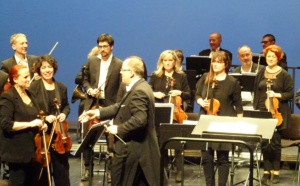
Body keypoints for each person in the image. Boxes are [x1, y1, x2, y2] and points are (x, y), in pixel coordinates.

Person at [79, 56, 161, 186]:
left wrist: (117, 129)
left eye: (123, 70)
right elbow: (120, 106)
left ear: (132, 72)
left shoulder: (139, 91)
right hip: (136, 152)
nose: (120, 73)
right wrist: (97, 113)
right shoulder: (139, 87)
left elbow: (140, 119)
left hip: (135, 151)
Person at [195, 51, 243, 186]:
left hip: (224, 122)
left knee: (223, 158)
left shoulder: (232, 82)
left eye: (219, 62)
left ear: (226, 64)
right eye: (213, 61)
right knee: (206, 157)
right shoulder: (206, 77)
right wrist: (200, 102)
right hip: (206, 121)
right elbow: (197, 94)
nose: (215, 64)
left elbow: (238, 106)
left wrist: (240, 124)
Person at [81, 33, 123, 181]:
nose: (102, 49)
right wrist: (89, 89)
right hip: (93, 103)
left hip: (110, 104)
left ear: (111, 47)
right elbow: (84, 80)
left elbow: (121, 87)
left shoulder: (119, 64)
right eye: (100, 46)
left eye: (105, 46)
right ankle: (87, 168)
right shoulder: (92, 61)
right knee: (87, 137)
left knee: (111, 139)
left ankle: (111, 170)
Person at [253, 45, 294, 184]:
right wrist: (255, 109)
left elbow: (290, 93)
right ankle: (266, 170)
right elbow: (257, 91)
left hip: (278, 112)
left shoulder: (284, 74)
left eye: (273, 56)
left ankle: (276, 172)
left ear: (279, 58)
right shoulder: (261, 72)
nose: (270, 59)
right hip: (262, 110)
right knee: (264, 142)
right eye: (268, 56)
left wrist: (277, 94)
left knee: (275, 143)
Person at [0, 65, 47, 185]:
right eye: (25, 77)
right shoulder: (8, 97)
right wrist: (30, 124)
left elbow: (37, 115)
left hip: (33, 152)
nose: (28, 79)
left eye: (28, 76)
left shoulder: (30, 94)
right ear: (15, 79)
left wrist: (42, 124)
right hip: (17, 152)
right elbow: (6, 124)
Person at [149, 50, 191, 182]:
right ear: (161, 62)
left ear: (175, 62)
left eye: (170, 60)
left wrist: (180, 92)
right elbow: (147, 90)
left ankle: (179, 170)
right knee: (161, 142)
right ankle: (164, 169)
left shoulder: (181, 76)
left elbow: (189, 93)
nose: (167, 63)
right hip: (160, 111)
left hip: (176, 113)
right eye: (165, 60)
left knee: (178, 142)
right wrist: (154, 94)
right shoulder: (155, 76)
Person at [29, 55, 71, 186]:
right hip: (42, 135)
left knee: (62, 171)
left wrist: (64, 113)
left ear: (54, 68)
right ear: (39, 70)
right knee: (42, 171)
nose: (47, 70)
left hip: (59, 135)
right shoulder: (33, 87)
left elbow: (66, 106)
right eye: (44, 67)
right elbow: (30, 109)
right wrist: (45, 117)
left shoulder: (61, 87)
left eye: (50, 67)